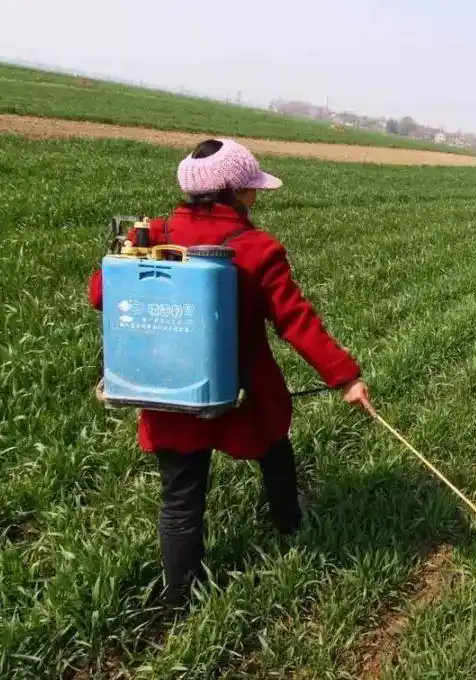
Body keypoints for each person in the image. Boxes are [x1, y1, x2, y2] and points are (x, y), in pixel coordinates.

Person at [87, 138, 375, 608]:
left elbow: (100, 294)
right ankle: (289, 522)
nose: (256, 197)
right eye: (252, 189)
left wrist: (127, 252)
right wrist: (344, 377)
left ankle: (179, 597)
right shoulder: (257, 249)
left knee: (180, 498)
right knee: (275, 448)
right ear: (236, 193)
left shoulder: (151, 236)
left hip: (169, 391)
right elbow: (295, 321)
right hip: (243, 393)